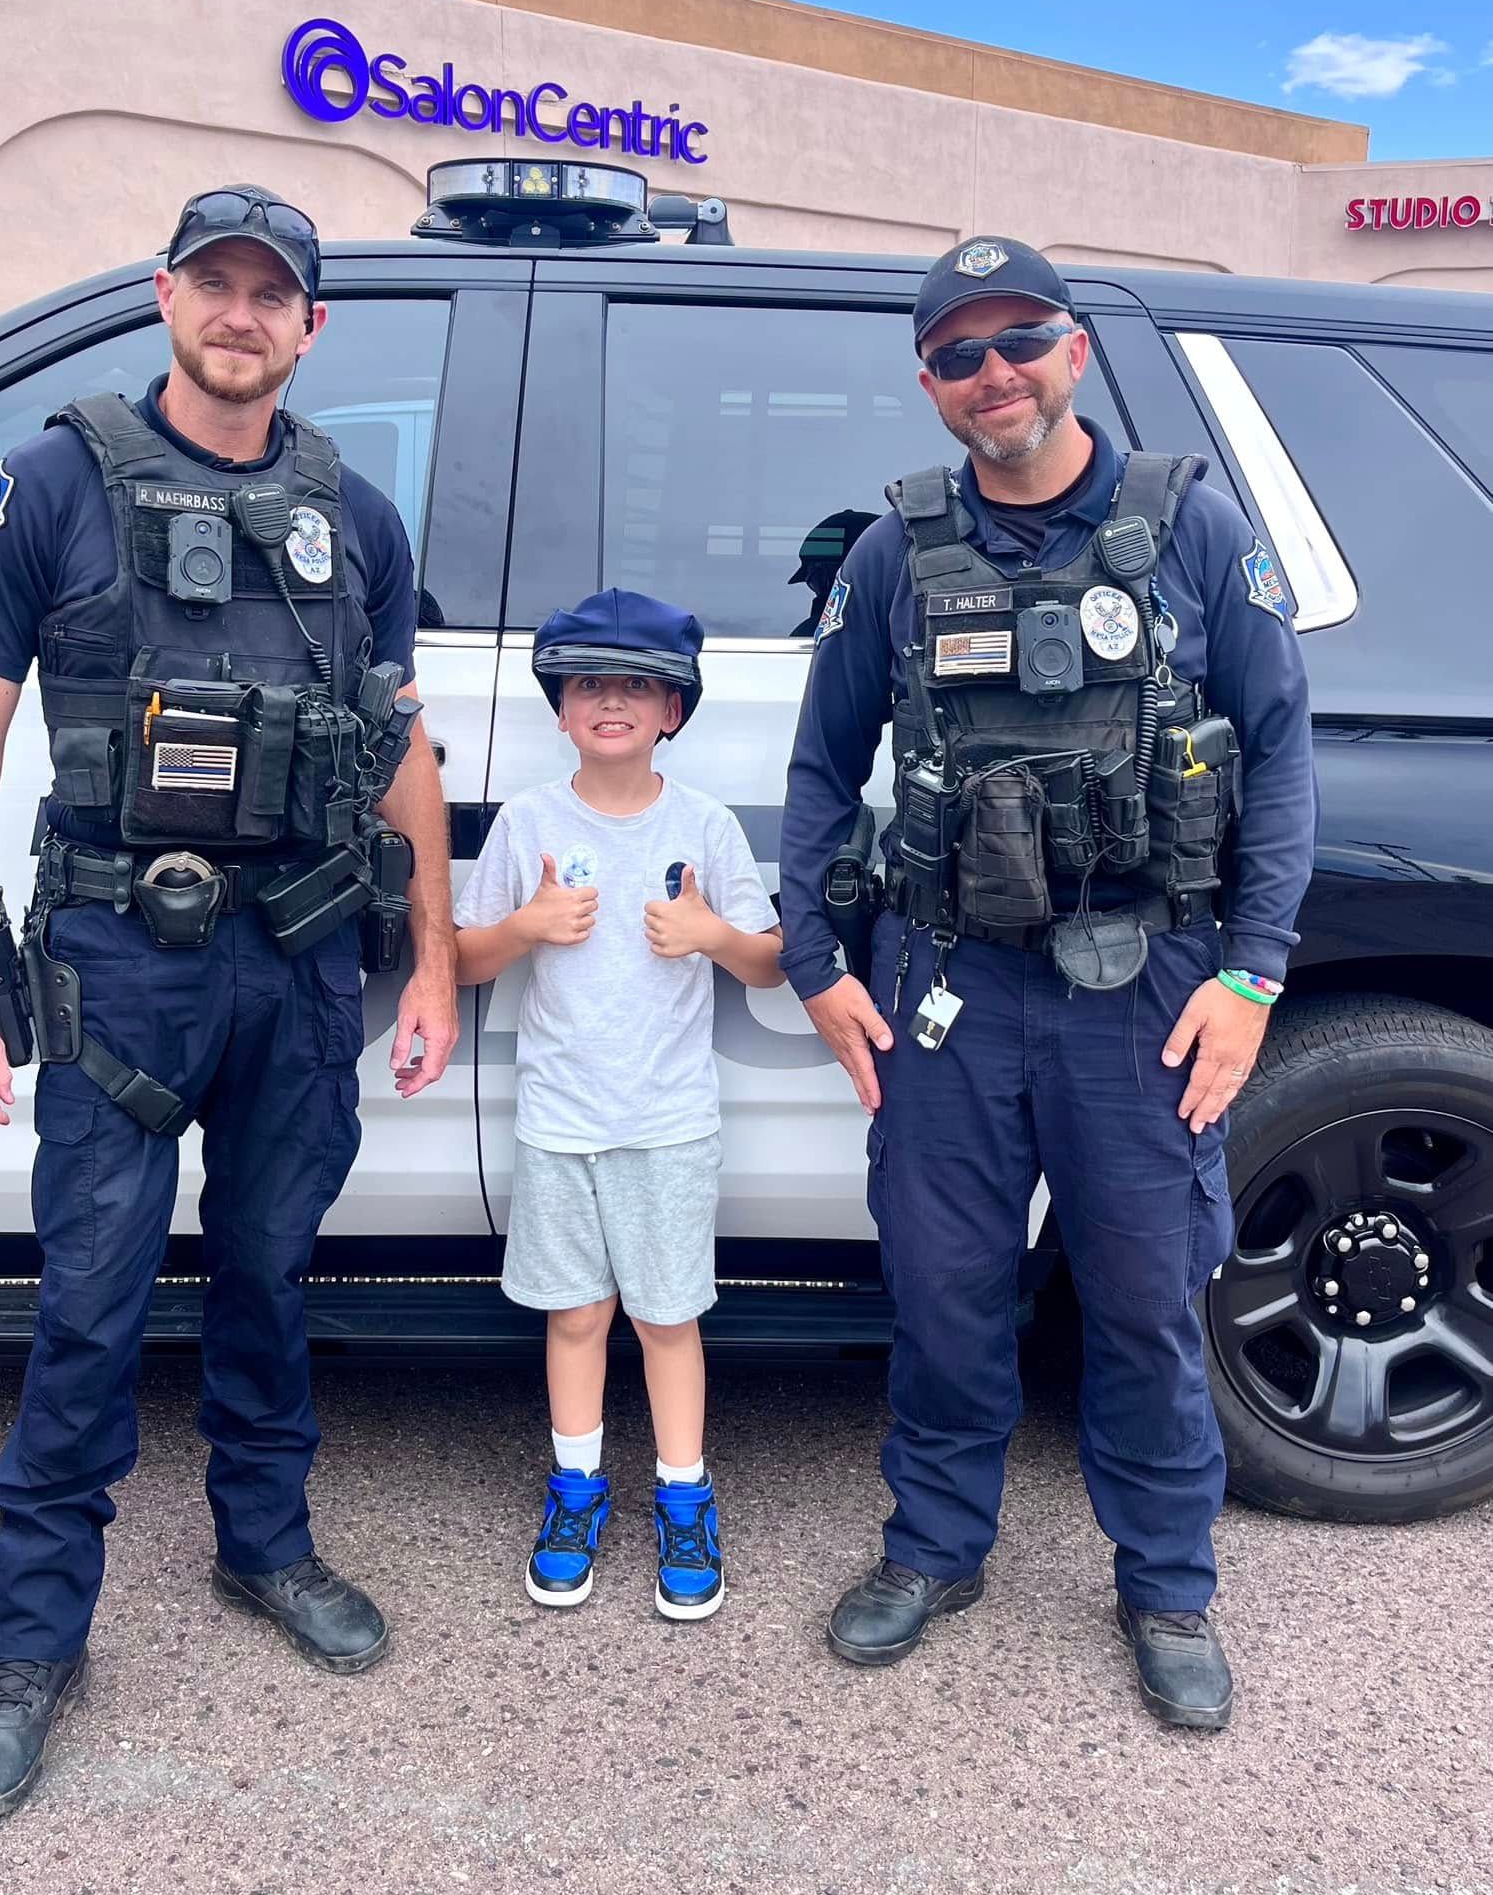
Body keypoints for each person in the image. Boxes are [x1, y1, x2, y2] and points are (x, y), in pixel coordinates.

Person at [0, 183, 458, 1817]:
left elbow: (400, 742)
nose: (239, 312)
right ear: (164, 297)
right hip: (121, 964)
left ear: (309, 327)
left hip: (294, 960)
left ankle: (263, 1546)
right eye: (213, 283)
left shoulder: (353, 517)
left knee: (270, 1275)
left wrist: (429, 951)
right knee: (88, 1299)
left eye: (268, 292)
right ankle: (30, 1644)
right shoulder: (55, 481)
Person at [780, 237, 1315, 1729]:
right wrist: (819, 965)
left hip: (1143, 984)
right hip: (947, 986)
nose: (991, 373)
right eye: (956, 353)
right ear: (929, 382)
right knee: (942, 1292)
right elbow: (821, 769)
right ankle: (935, 1547)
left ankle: (1165, 1580)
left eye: (1018, 340)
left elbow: (1279, 766)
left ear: (1072, 351)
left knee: (1142, 1303)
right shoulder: (893, 556)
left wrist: (1254, 977)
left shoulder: (1193, 531)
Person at [452, 590, 782, 1620]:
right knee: (577, 1315)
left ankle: (685, 1495)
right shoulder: (530, 822)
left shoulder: (705, 825)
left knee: (668, 1316)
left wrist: (710, 937)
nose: (612, 700)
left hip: (670, 1121)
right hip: (560, 1120)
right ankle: (575, 1486)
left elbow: (772, 963)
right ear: (559, 707)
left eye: (637, 684)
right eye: (590, 682)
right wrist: (529, 924)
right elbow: (462, 957)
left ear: (672, 709)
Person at [787, 509, 878, 639]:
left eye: (812, 581)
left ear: (826, 577)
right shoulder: (905, 628)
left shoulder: (818, 634)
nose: (815, 590)